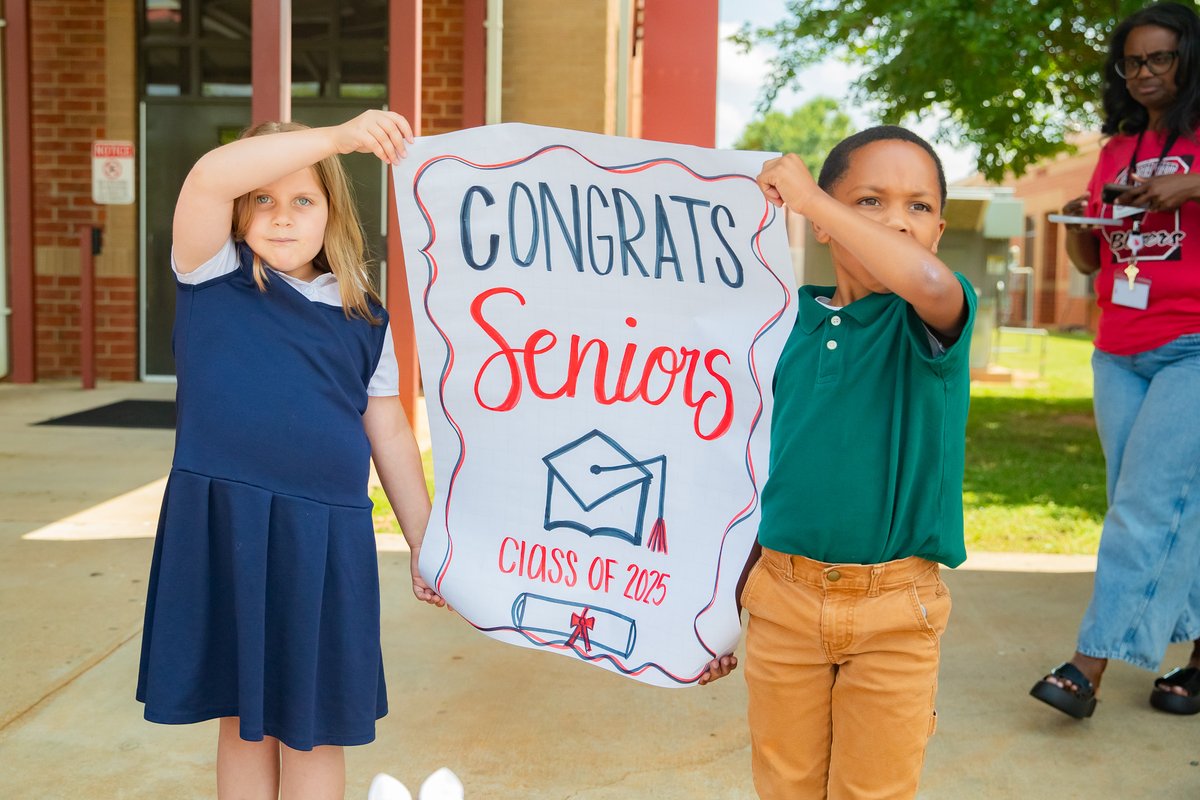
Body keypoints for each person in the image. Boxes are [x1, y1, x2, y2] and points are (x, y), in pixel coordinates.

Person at [135, 110, 445, 799]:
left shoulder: (363, 315)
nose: (281, 217)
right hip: (228, 525)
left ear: (332, 209)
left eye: (302, 199)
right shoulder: (209, 273)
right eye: (263, 201)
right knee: (245, 720)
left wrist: (425, 540)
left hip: (324, 538)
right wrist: (340, 137)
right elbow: (209, 178)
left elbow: (388, 430)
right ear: (240, 214)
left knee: (313, 724)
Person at [701, 126, 975, 799]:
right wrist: (713, 609)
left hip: (895, 612)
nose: (898, 223)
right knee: (785, 785)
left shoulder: (932, 315)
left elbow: (928, 282)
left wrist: (812, 201)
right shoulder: (780, 324)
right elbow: (756, 474)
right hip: (782, 597)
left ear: (940, 227)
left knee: (872, 791)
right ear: (824, 223)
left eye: (918, 207)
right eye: (870, 201)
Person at [1030, 1, 1200, 720]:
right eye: (1132, 61)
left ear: (1188, 58)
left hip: (1193, 342)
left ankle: (1087, 666)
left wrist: (1187, 185)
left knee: (1143, 507)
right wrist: (1077, 218)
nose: (1144, 72)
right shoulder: (1116, 149)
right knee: (1158, 508)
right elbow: (1093, 259)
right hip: (1119, 348)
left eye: (1159, 57)